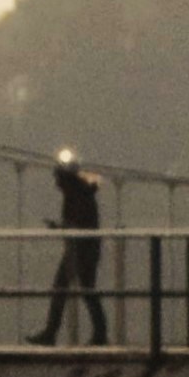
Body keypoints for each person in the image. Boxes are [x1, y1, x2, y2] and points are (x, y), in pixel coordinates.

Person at [40, 145, 109, 344]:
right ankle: (99, 335)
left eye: (57, 177)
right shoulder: (79, 192)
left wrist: (60, 227)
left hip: (80, 249)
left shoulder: (78, 194)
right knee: (85, 291)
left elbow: (78, 223)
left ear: (64, 178)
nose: (56, 182)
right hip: (83, 248)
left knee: (66, 289)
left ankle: (51, 334)